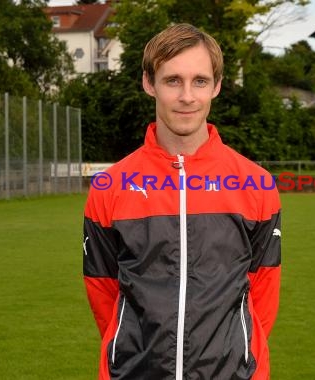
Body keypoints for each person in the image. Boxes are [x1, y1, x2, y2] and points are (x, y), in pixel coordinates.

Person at [82, 23, 281, 380]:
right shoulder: (109, 186)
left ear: (216, 87)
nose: (187, 96)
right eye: (173, 80)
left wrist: (240, 355)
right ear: (149, 83)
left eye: (200, 81)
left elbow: (263, 291)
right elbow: (103, 289)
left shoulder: (256, 184)